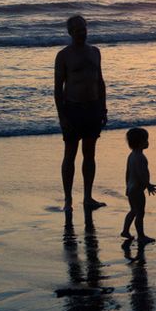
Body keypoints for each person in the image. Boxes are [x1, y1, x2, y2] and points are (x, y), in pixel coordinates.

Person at [55, 15, 108, 212]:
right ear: (70, 32)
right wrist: (62, 117)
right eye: (76, 30)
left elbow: (100, 82)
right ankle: (68, 200)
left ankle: (87, 198)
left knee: (90, 154)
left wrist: (103, 108)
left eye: (83, 29)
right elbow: (58, 89)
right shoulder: (63, 55)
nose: (81, 33)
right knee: (70, 155)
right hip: (73, 109)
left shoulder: (95, 52)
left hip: (93, 108)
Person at [121, 127, 156, 243]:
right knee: (140, 213)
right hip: (137, 190)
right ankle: (141, 236)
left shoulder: (131, 155)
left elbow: (128, 172)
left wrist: (127, 186)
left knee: (133, 210)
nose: (147, 142)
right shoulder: (140, 157)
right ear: (139, 143)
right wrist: (148, 185)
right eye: (145, 140)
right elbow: (141, 174)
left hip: (131, 188)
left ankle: (125, 231)